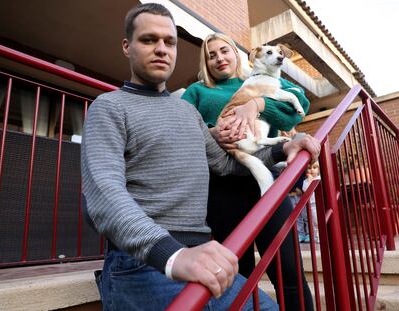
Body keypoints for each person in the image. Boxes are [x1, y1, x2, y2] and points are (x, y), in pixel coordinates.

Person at [81, 3, 320, 310]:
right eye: (148, 40)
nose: (161, 49)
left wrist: (280, 149)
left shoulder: (188, 112)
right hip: (143, 261)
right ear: (127, 47)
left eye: (169, 42)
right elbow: (103, 194)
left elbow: (226, 164)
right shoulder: (108, 107)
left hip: (202, 253)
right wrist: (172, 254)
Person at [182, 33, 314, 310]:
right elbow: (182, 129)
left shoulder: (259, 79)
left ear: (237, 54)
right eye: (212, 55)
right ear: (205, 62)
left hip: (266, 184)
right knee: (236, 278)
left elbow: (298, 107)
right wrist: (211, 133)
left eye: (224, 51)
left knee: (288, 273)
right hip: (222, 189)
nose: (219, 58)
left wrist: (257, 104)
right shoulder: (197, 91)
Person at [299, 161, 321, 243]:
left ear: (318, 170)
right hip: (309, 205)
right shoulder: (306, 181)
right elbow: (305, 190)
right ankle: (313, 236)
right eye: (309, 168)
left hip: (317, 204)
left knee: (316, 222)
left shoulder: (319, 179)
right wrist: (309, 180)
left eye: (314, 168)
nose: (312, 170)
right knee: (309, 221)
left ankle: (317, 236)